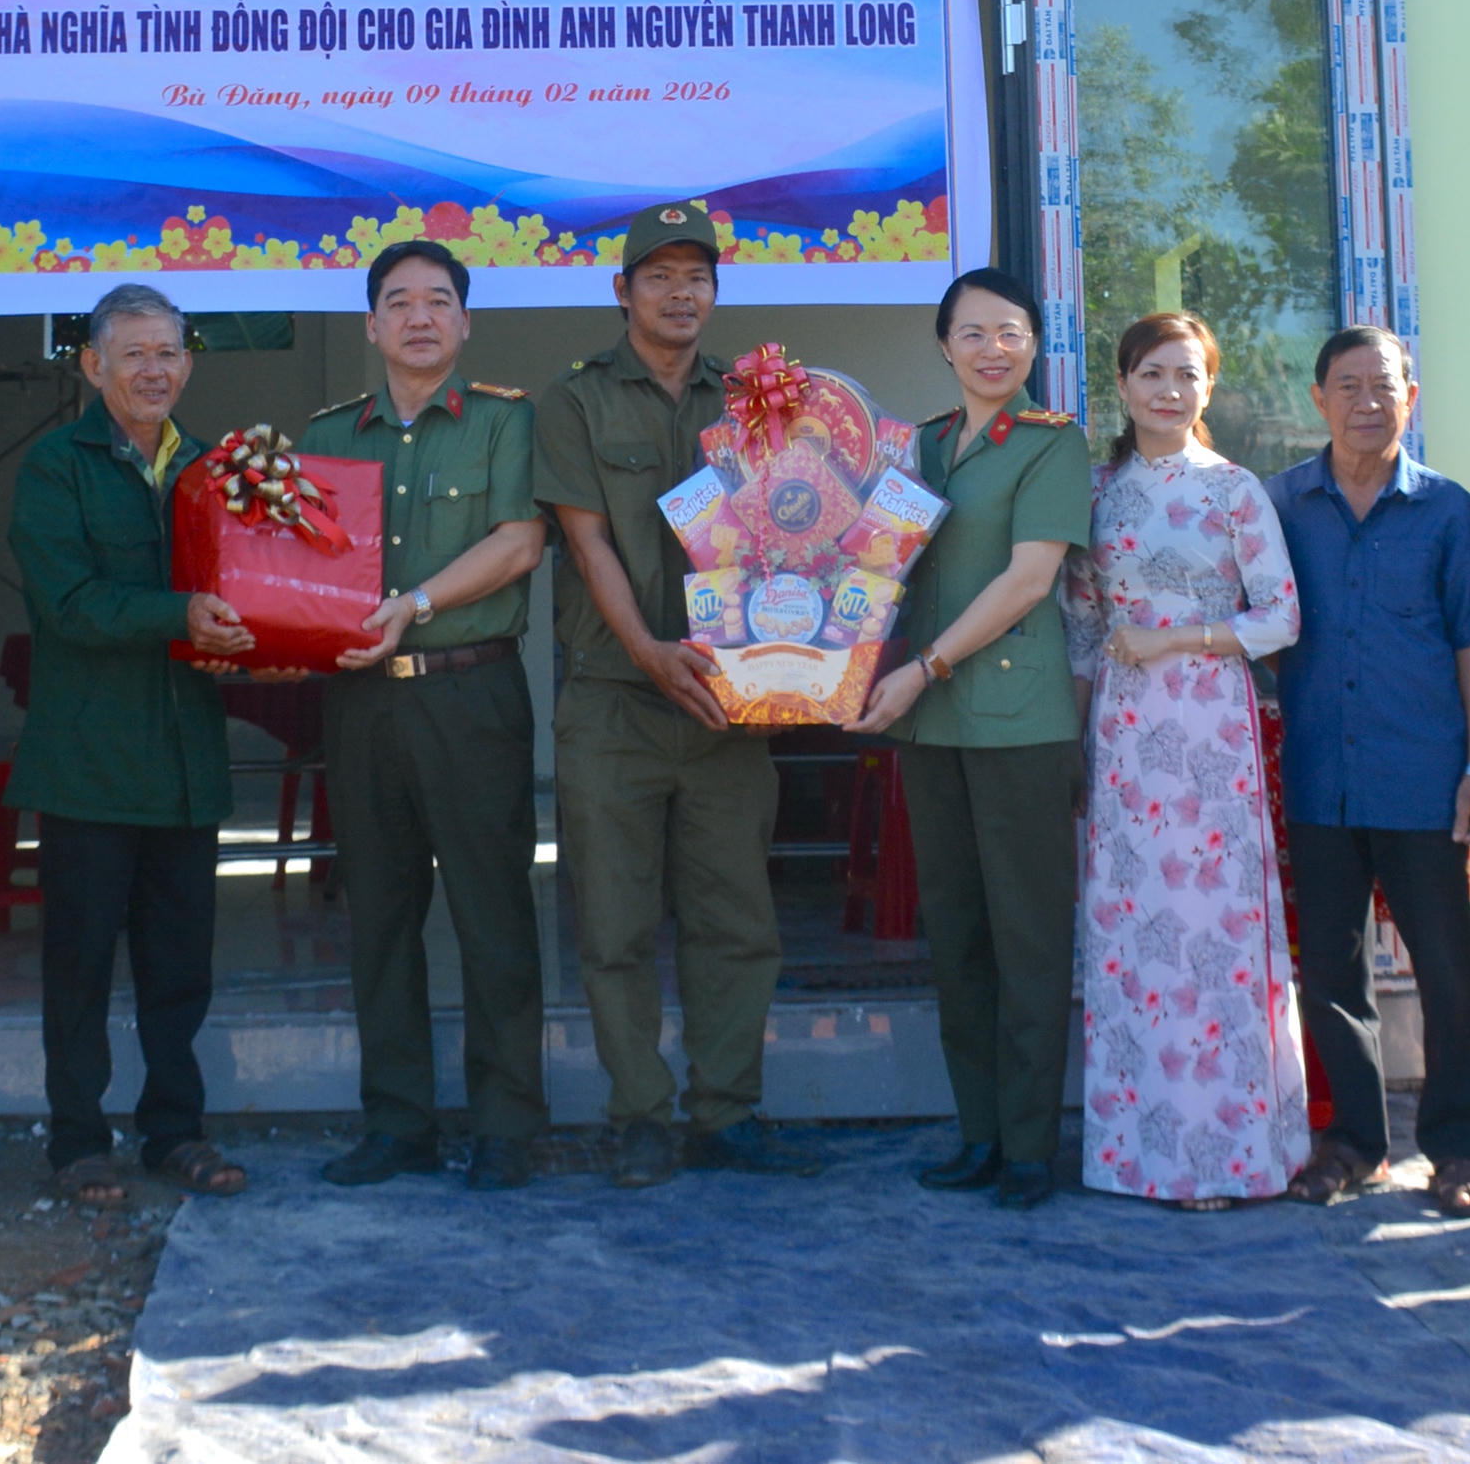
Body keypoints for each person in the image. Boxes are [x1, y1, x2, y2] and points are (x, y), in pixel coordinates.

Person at [534, 203, 826, 1188]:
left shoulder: (758, 400)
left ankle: (727, 1112)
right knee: (614, 926)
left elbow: (798, 533)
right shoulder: (574, 400)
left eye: (696, 275)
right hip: (614, 703)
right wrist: (650, 652)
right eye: (658, 275)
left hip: (729, 705)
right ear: (621, 291)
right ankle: (640, 1115)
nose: (679, 292)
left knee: (735, 921)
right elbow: (587, 543)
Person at [302, 241, 551, 1193]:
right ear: (371, 325)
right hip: (363, 700)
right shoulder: (330, 434)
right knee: (379, 914)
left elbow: (519, 543)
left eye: (439, 301)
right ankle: (397, 1123)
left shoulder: (503, 421)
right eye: (399, 302)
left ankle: (505, 1125)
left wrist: (415, 603)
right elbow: (302, 562)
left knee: (494, 913)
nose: (419, 317)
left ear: (465, 321)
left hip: (469, 692)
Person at [1262, 324, 1470, 1221]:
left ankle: (1459, 1149)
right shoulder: (1280, 505)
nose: (1367, 403)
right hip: (1318, 775)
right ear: (1318, 399)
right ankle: (1354, 1144)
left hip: (1423, 777)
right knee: (1332, 975)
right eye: (1348, 386)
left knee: (1448, 971)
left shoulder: (1448, 511)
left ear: (1411, 398)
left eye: (1385, 386)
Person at [850, 267, 1090, 1213]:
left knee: (1028, 938)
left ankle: (1029, 1146)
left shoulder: (1052, 441)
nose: (995, 349)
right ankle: (979, 1134)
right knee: (956, 938)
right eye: (975, 333)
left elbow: (1029, 580)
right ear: (944, 345)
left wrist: (922, 668)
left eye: (1012, 332)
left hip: (1017, 721)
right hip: (933, 727)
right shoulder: (918, 447)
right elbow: (872, 565)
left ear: (1035, 342)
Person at [9, 282, 250, 1208]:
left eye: (170, 353)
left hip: (186, 760)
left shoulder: (214, 469)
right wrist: (181, 613)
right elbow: (68, 604)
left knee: (179, 967)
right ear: (92, 365)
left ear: (189, 363)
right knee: (79, 965)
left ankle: (174, 1131)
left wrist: (260, 634)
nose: (155, 370)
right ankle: (78, 1141)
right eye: (135, 353)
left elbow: (243, 585)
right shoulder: (54, 467)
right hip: (90, 763)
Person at [1064, 311, 1307, 1209]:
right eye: (1153, 374)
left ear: (1209, 388)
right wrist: (1077, 743)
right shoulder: (1097, 493)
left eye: (1187, 375)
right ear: (1122, 385)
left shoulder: (1234, 491)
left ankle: (1227, 1155)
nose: (1170, 391)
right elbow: (1083, 628)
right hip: (1123, 737)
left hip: (1209, 731)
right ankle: (1134, 1156)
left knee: (1212, 933)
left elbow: (1281, 616)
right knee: (1132, 932)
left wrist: (1177, 639)